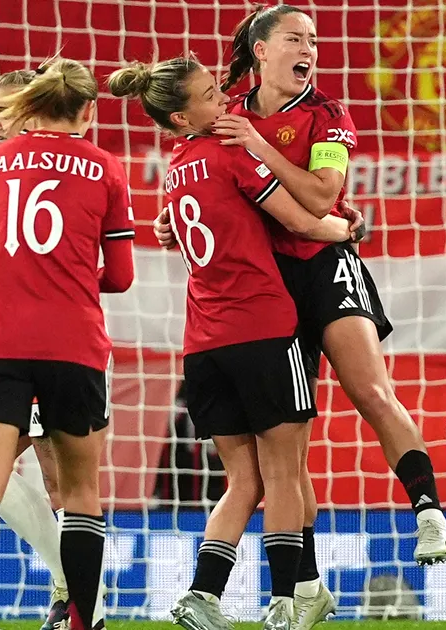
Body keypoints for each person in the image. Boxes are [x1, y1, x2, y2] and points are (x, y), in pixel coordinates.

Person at [154, 5, 446, 626]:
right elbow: (211, 190)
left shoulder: (326, 113)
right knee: (285, 452)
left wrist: (263, 147)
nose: (308, 49)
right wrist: (175, 220)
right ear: (261, 51)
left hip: (323, 261)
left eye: (312, 40)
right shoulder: (224, 115)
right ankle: (306, 586)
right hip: (267, 284)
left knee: (368, 388)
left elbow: (320, 197)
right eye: (295, 38)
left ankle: (428, 511)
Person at [111, 55, 355, 630]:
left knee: (243, 480)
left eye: (220, 89)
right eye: (210, 96)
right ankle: (286, 603)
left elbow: (194, 227)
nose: (225, 101)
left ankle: (203, 595)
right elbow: (302, 220)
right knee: (285, 475)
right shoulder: (231, 154)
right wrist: (349, 227)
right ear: (179, 117)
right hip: (265, 330)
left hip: (203, 345)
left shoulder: (175, 169)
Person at [0, 56, 134, 630]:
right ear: (87, 109)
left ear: (30, 106)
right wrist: (75, 273)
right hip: (72, 343)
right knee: (79, 492)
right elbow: (121, 277)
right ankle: (83, 616)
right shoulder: (106, 168)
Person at [0, 68, 111, 630]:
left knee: (57, 478)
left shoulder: (77, 168)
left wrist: (63, 282)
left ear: (33, 112)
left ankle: (77, 601)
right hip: (23, 343)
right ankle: (76, 595)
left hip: (52, 341)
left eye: (3, 112)